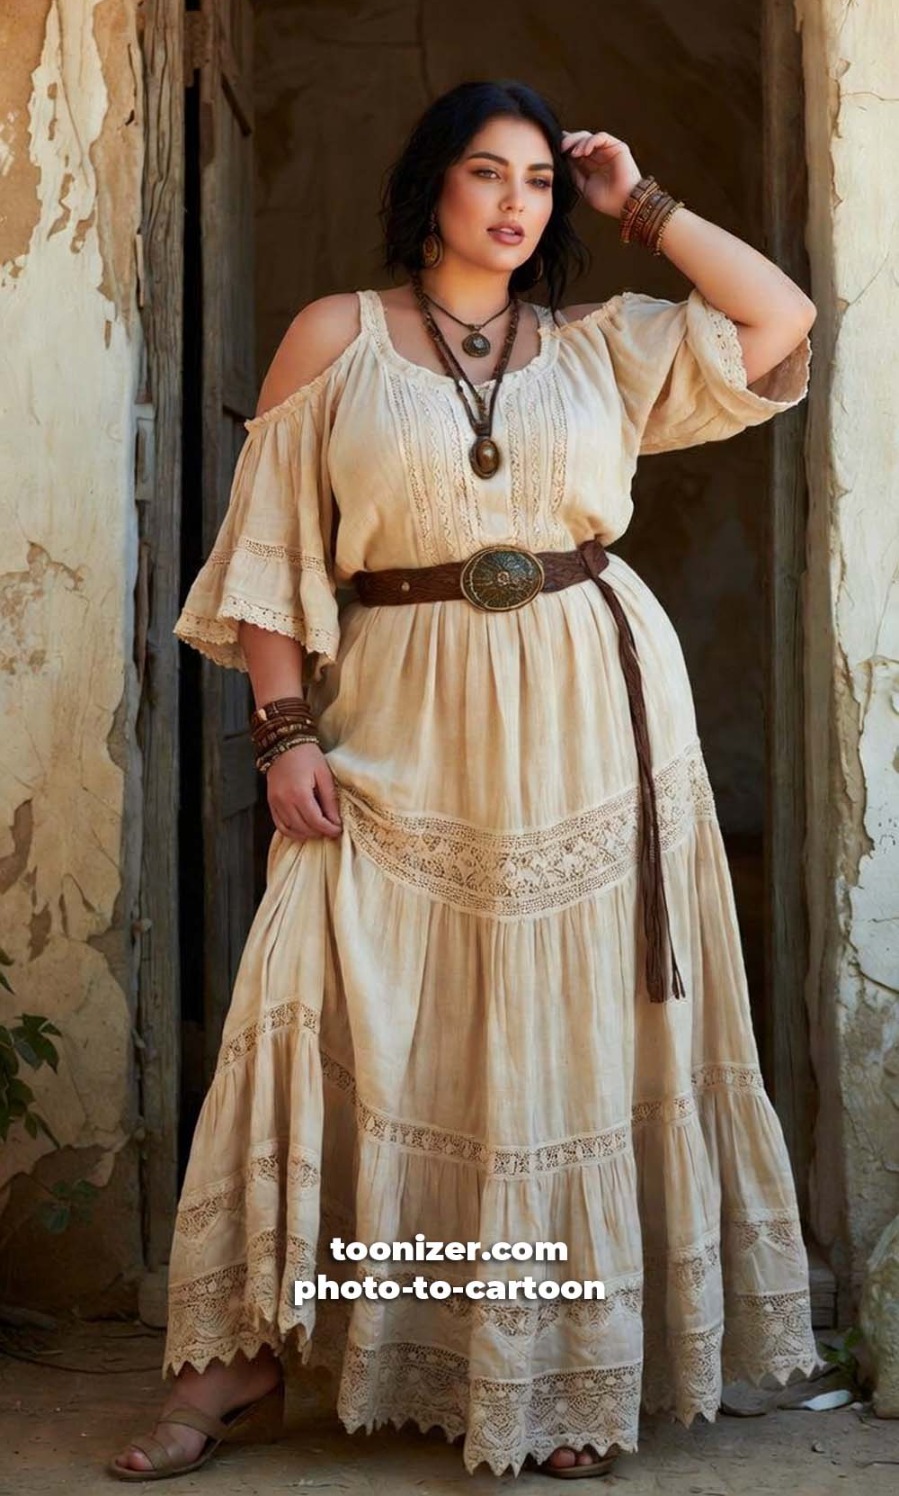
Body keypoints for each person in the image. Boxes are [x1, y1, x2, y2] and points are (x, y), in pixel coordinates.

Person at [110, 80, 821, 1483]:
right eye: (485, 174)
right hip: (396, 702)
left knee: (563, 1037)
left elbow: (780, 318)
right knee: (329, 993)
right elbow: (269, 548)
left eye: (540, 183)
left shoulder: (600, 345)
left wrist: (643, 205)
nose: (514, 204)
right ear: (430, 185)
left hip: (590, 706)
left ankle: (557, 1370)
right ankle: (240, 1359)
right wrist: (283, 731)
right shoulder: (338, 336)